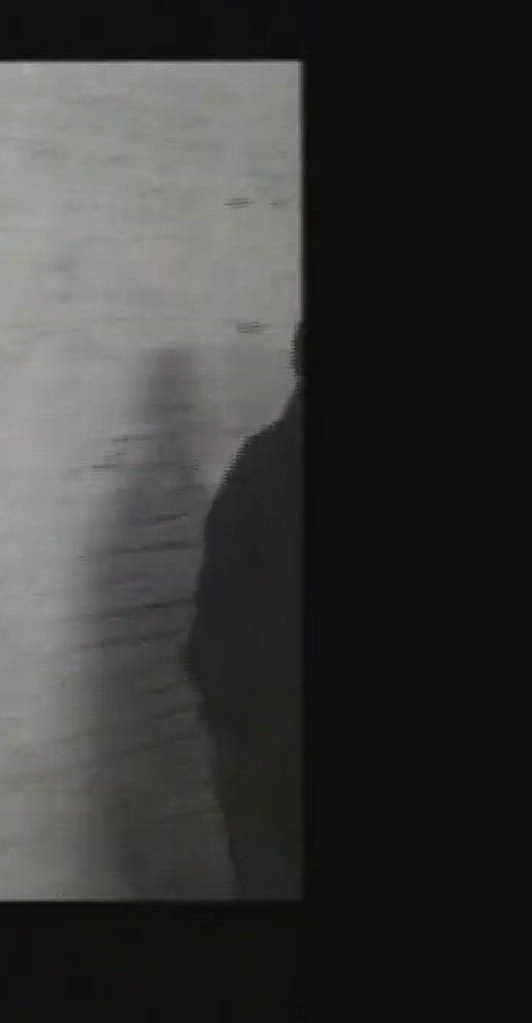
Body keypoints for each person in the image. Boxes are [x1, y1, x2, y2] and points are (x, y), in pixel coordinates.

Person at [183, 322, 304, 899]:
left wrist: (228, 719)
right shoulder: (264, 465)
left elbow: (218, 609)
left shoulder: (259, 462)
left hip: (260, 738)